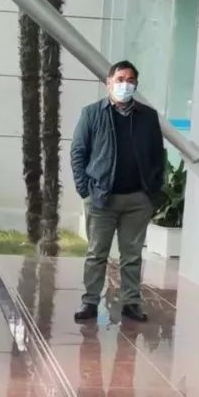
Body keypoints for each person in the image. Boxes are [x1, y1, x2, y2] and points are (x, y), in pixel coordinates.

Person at [71, 60, 165, 324]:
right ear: (108, 83)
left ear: (136, 84)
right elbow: (78, 152)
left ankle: (131, 303)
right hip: (101, 197)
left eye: (130, 80)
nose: (125, 84)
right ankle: (90, 302)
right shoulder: (92, 113)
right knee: (96, 253)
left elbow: (158, 155)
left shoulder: (148, 117)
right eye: (120, 79)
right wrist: (84, 189)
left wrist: (153, 191)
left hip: (137, 199)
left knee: (132, 256)